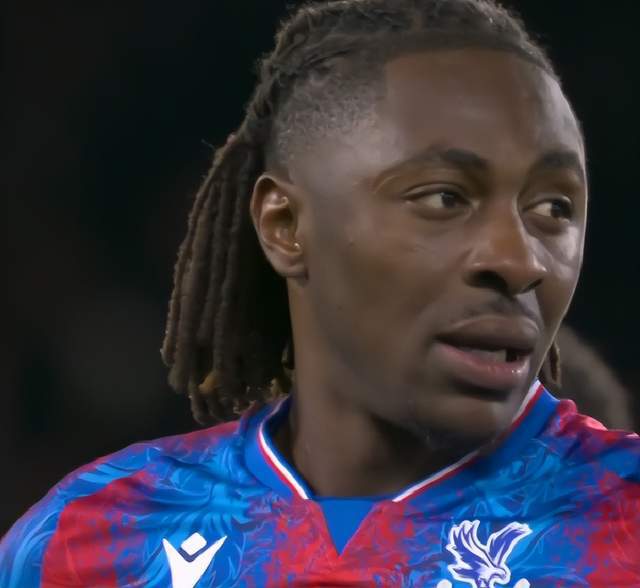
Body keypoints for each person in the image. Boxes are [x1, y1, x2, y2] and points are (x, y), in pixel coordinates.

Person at [2, 0, 639, 586]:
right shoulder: (91, 538)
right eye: (445, 198)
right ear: (285, 226)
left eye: (554, 208)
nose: (520, 260)